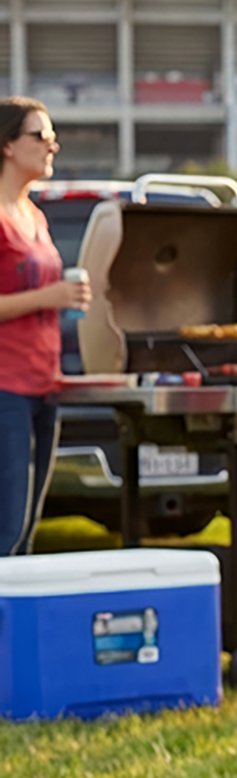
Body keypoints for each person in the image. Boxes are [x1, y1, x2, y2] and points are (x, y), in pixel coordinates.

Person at [0, 98, 89, 557]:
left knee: (28, 529)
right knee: (6, 529)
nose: (52, 145)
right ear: (8, 145)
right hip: (4, 388)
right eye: (40, 135)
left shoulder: (35, 215)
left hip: (43, 383)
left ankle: (17, 629)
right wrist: (47, 298)